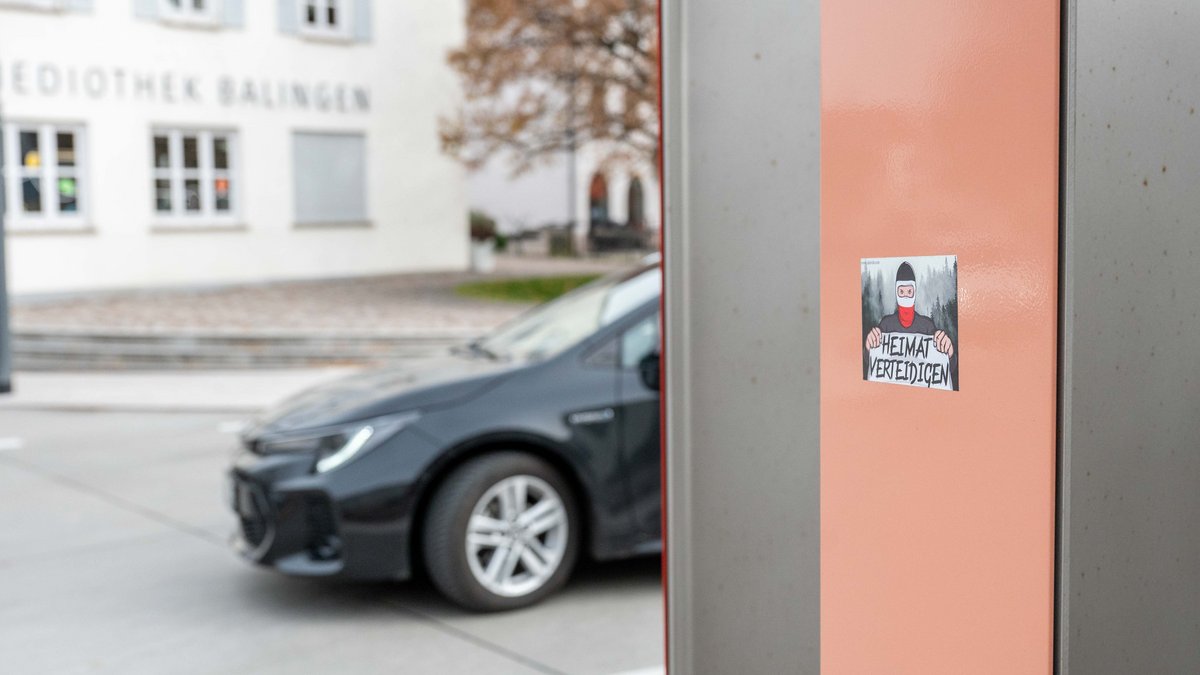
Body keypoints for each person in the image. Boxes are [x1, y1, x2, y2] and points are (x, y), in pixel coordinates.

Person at [864, 261, 957, 388]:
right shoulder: (886, 325)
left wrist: (949, 353)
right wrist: (869, 348)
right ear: (896, 293)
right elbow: (872, 362)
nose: (905, 297)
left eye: (909, 292)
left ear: (915, 292)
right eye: (901, 292)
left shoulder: (927, 326)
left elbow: (947, 369)